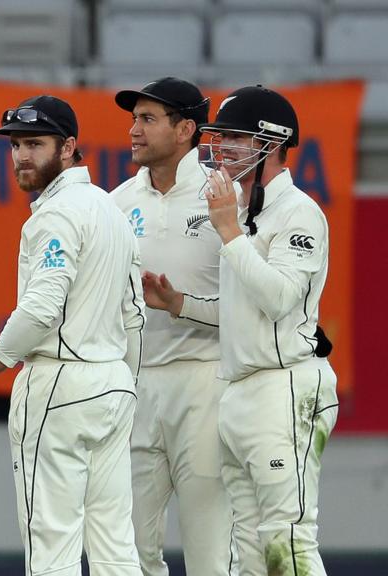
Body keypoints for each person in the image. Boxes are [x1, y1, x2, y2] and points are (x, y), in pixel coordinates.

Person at [144, 86, 338, 576]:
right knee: (249, 552)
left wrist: (229, 232)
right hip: (239, 392)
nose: (221, 148)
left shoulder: (298, 212)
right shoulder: (249, 214)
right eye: (220, 136)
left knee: (286, 541)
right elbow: (240, 312)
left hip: (285, 386)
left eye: (236, 138)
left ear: (272, 145)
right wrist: (179, 303)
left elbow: (277, 299)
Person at [0, 94, 145, 576]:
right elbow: (134, 313)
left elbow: (39, 311)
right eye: (15, 145)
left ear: (69, 147)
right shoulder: (110, 208)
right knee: (115, 547)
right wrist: (126, 383)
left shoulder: (55, 214)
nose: (20, 156)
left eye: (34, 143)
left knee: (51, 548)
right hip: (112, 383)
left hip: (60, 384)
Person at [110, 78, 236, 576]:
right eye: (133, 119)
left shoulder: (226, 198)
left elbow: (251, 308)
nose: (134, 130)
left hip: (204, 380)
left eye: (147, 119)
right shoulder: (115, 203)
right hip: (135, 385)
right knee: (128, 549)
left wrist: (180, 303)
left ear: (186, 129)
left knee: (209, 551)